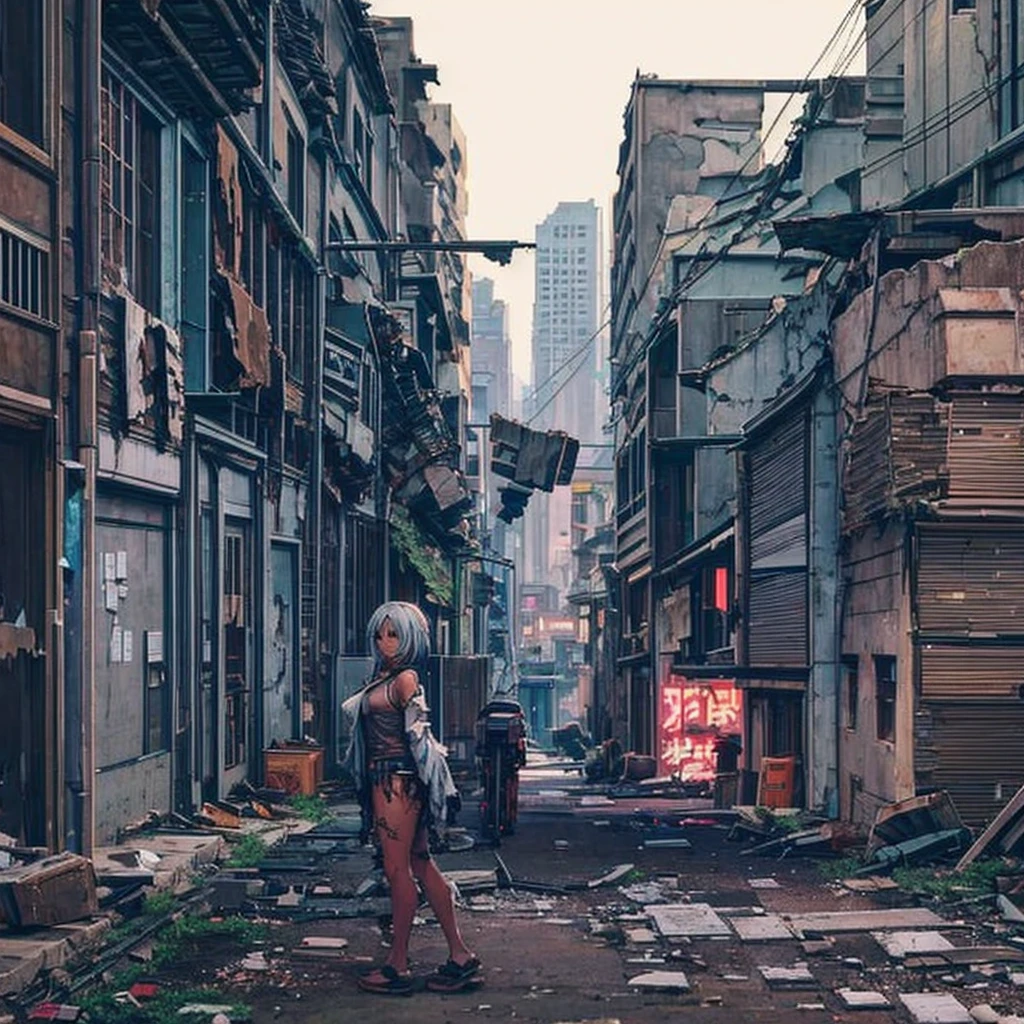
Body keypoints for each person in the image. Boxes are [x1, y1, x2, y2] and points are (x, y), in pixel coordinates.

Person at [341, 600, 481, 996]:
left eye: (394, 634)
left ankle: (398, 965)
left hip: (397, 783)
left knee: (398, 869)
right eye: (380, 634)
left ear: (412, 638)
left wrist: (432, 787)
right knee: (419, 863)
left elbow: (419, 738)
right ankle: (459, 955)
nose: (386, 641)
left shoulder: (404, 680)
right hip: (390, 783)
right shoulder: (383, 676)